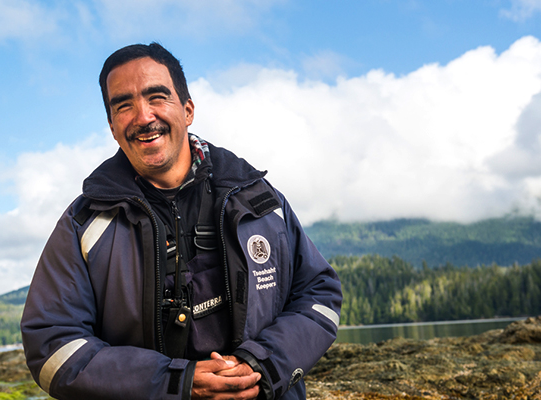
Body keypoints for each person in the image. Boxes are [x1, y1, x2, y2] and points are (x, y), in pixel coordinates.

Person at [21, 42, 343, 400]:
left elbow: (319, 294)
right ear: (112, 126)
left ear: (187, 110)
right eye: (123, 105)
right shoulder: (83, 224)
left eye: (156, 97)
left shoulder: (260, 200)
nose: (143, 116)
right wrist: (175, 382)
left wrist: (263, 367)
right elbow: (52, 347)